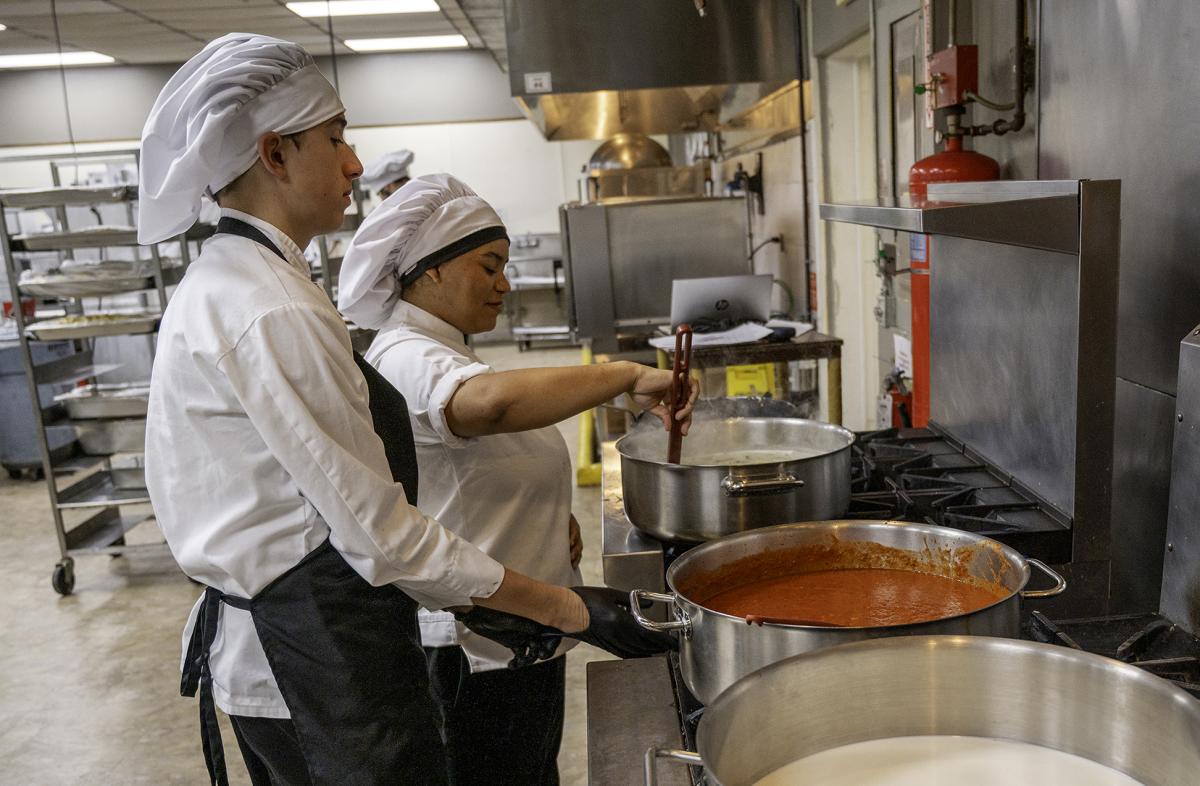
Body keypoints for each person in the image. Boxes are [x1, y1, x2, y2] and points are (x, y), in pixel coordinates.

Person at [138, 33, 672, 786]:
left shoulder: (236, 284)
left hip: (310, 648)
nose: (355, 163)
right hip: (313, 662)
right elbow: (380, 535)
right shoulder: (267, 308)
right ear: (274, 154)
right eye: (336, 138)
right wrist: (569, 610)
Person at [337, 174, 699, 786]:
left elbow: (464, 470)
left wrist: (545, 513)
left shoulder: (445, 351)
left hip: (518, 635)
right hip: (474, 651)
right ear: (429, 271)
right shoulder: (405, 354)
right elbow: (489, 407)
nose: (504, 284)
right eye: (489, 265)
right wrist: (623, 376)